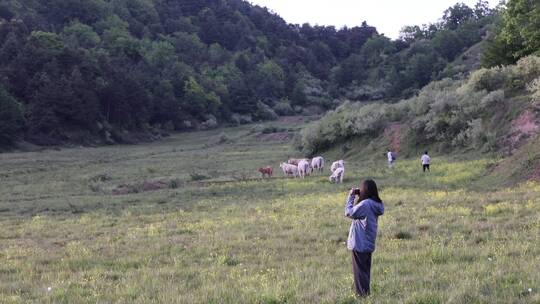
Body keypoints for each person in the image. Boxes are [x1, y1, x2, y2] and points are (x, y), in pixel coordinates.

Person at [344, 179, 385, 297]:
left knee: (360, 272)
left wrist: (351, 196)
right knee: (365, 272)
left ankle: (362, 297)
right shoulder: (376, 204)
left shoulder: (365, 204)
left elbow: (348, 212)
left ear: (364, 190)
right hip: (368, 243)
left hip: (359, 242)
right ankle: (365, 294)